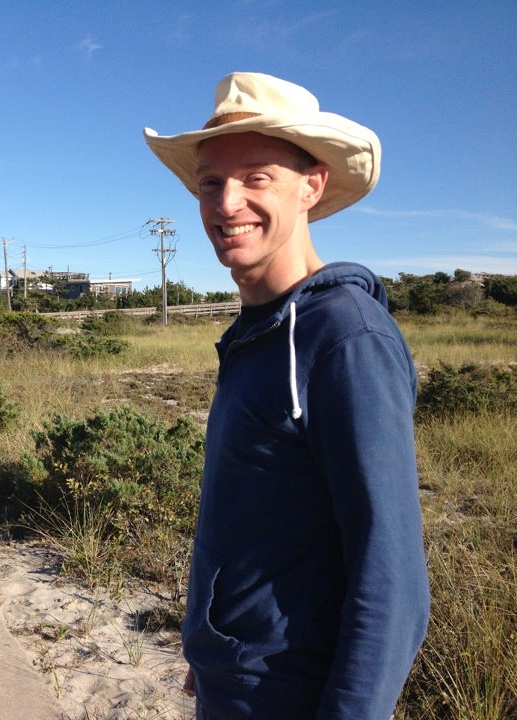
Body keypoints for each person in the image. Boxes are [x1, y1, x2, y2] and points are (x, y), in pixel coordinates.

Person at [143, 72, 430, 719]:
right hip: (234, 687)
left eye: (256, 178)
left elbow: (395, 581)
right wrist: (210, 644)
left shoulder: (342, 337)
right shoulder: (257, 335)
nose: (226, 202)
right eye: (210, 182)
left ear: (313, 185)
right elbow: (253, 519)